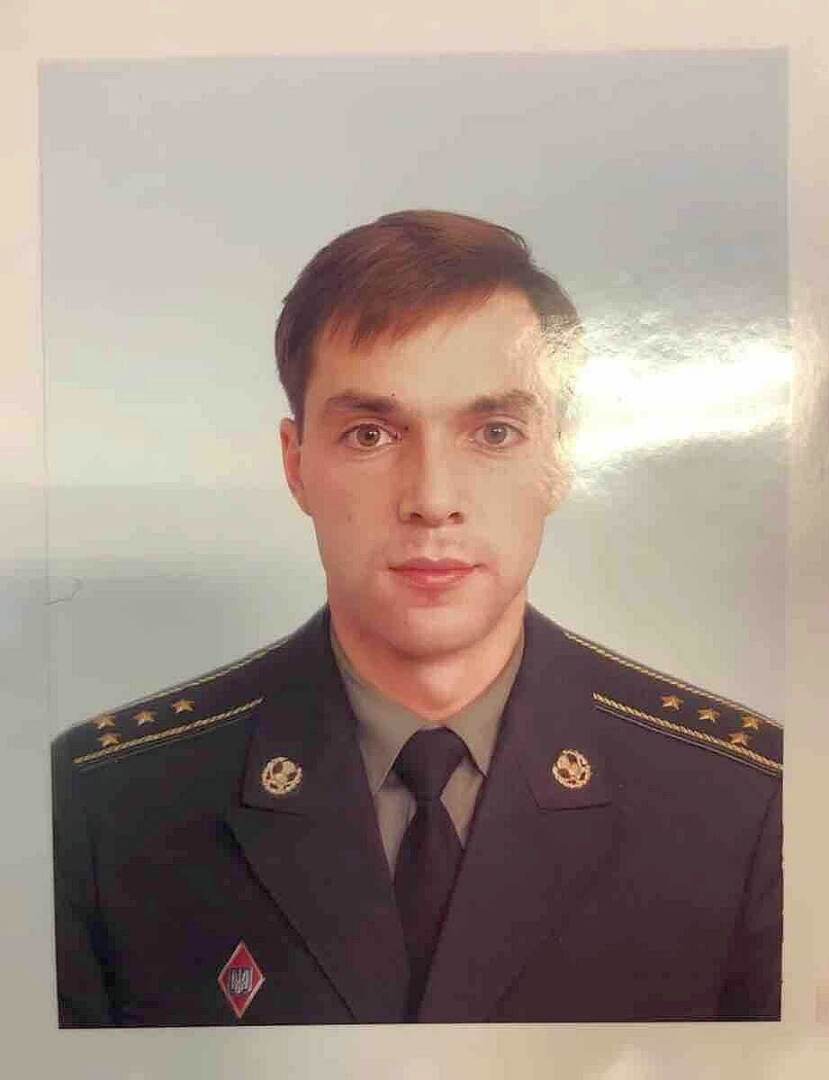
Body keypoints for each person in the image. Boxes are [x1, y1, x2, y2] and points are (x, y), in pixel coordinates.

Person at [51, 210, 782, 1027]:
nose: (432, 499)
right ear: (296, 465)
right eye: (370, 434)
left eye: (493, 432)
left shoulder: (741, 801)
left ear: (558, 458)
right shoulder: (104, 804)